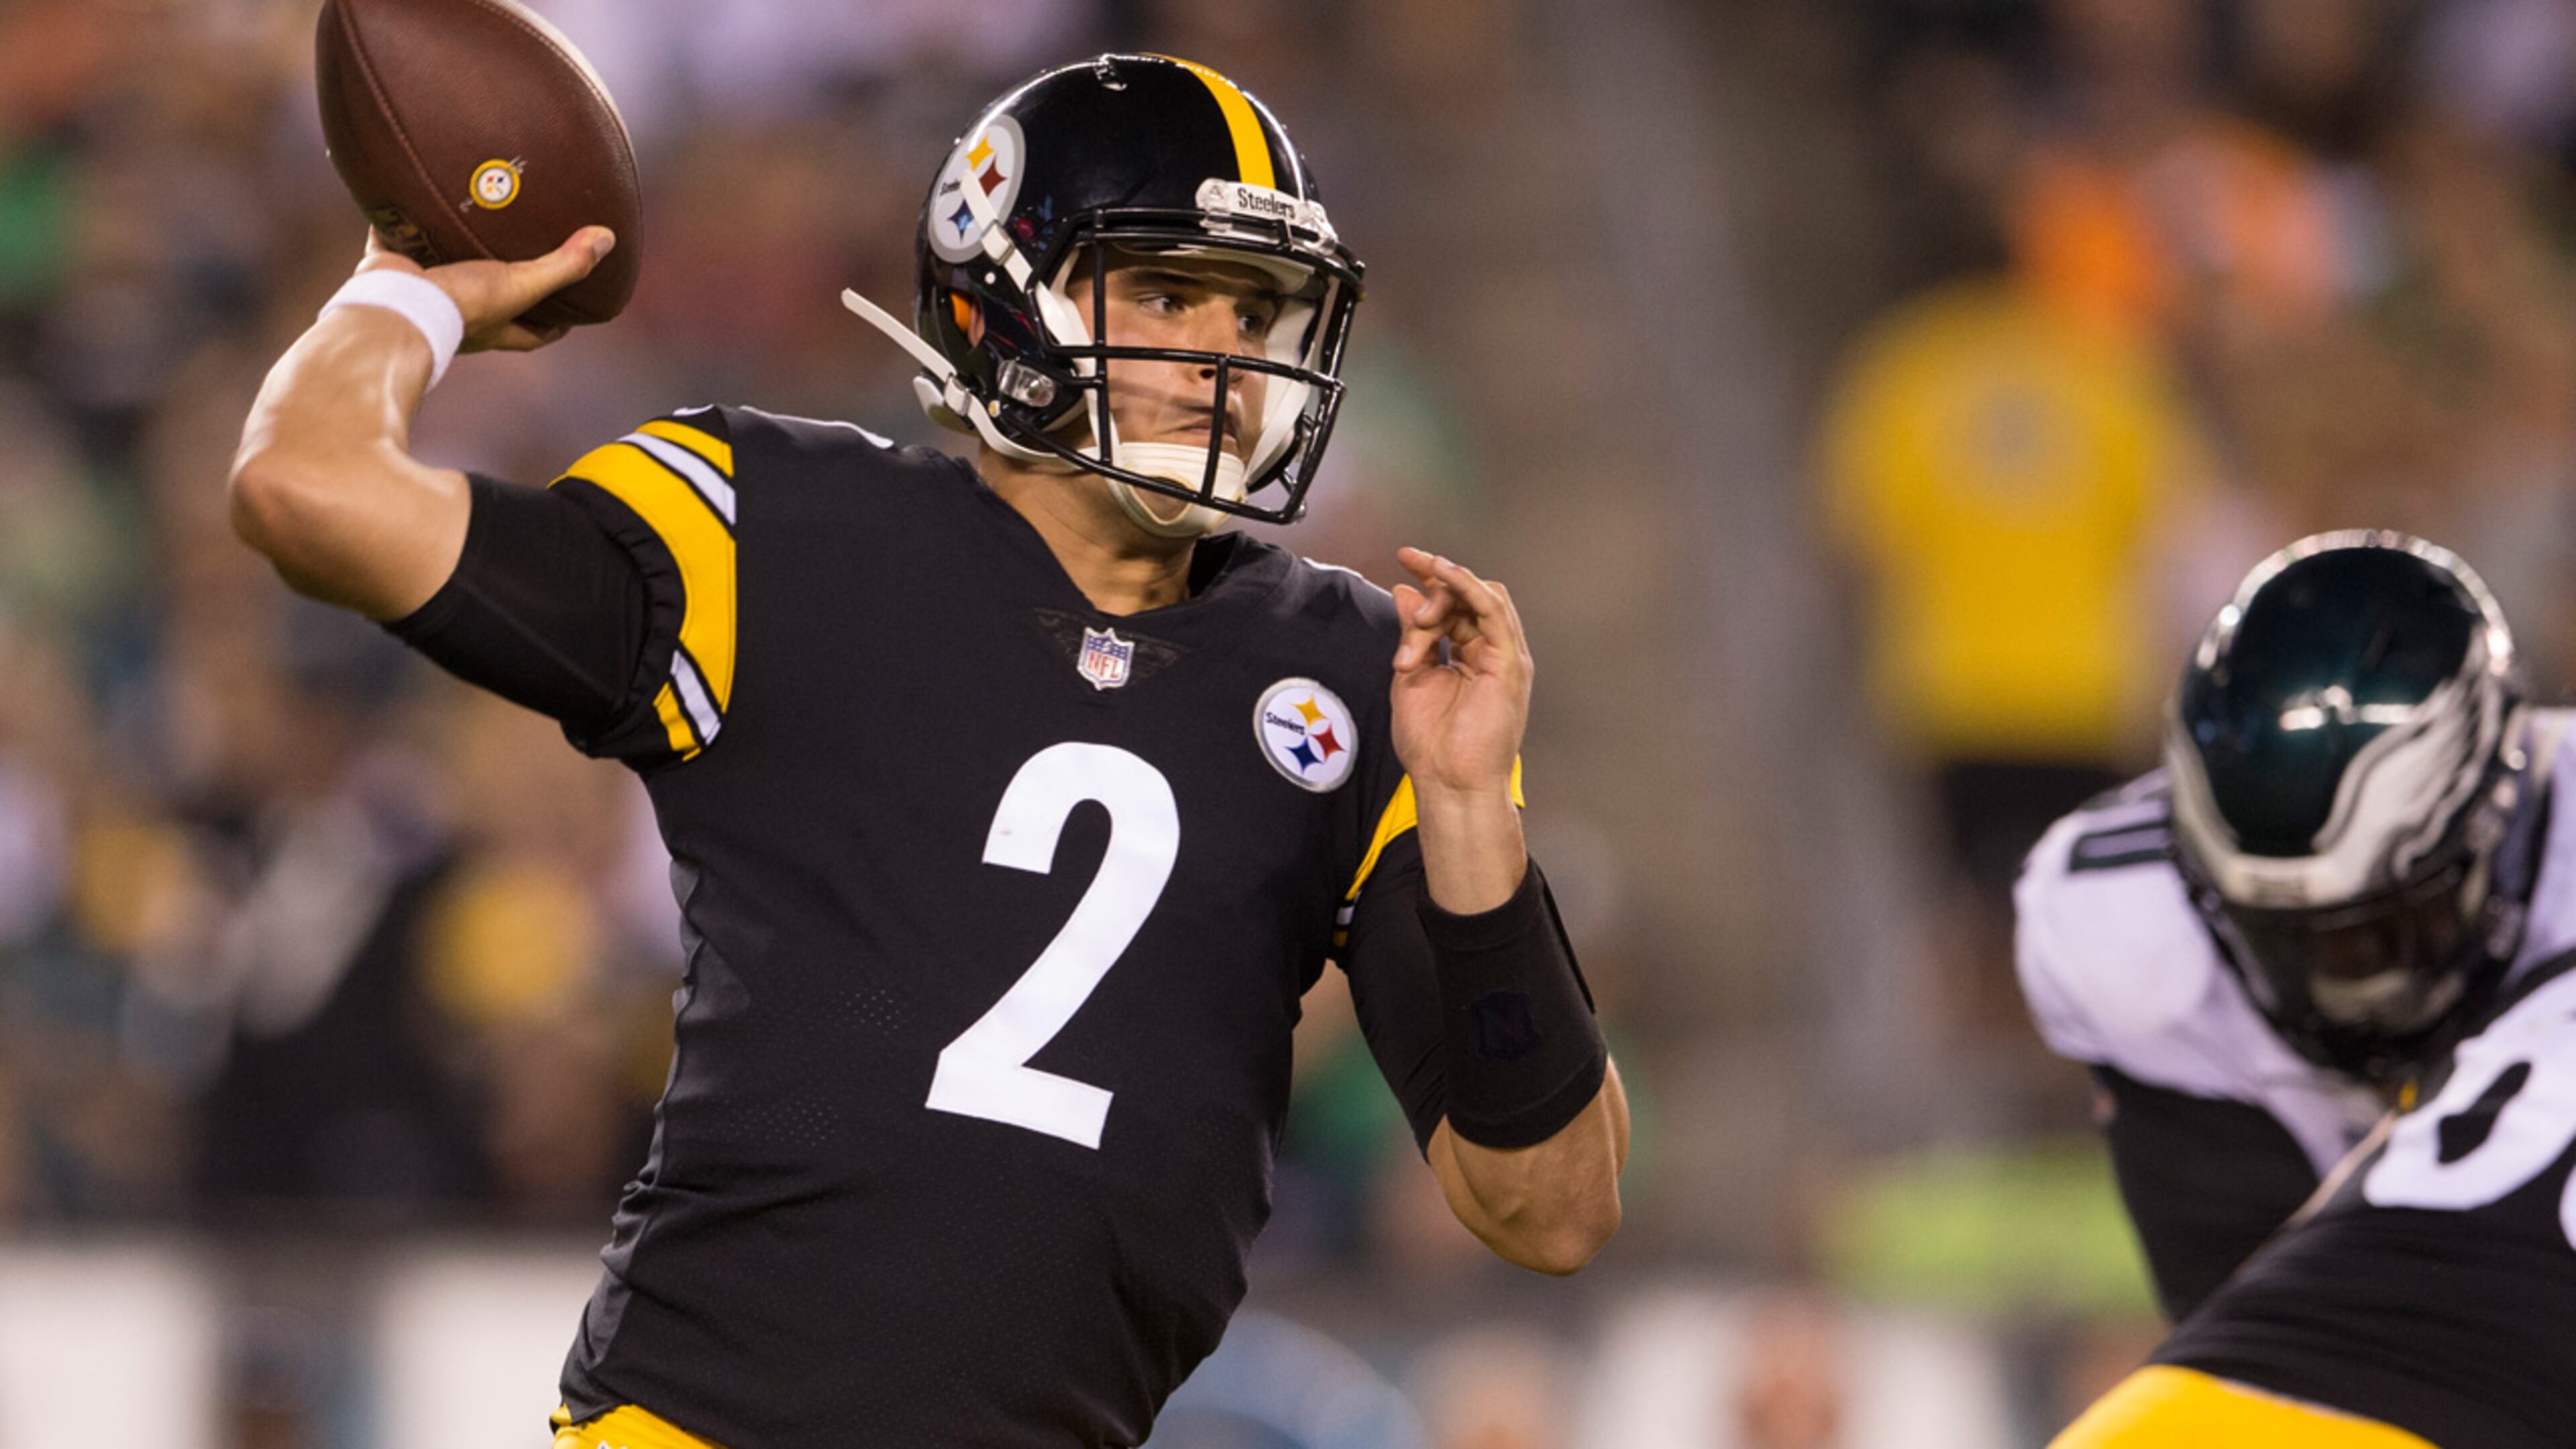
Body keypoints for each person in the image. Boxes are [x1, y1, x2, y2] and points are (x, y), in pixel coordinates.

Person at [226, 54, 1625, 1449]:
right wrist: (411, 283)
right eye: (1165, 290)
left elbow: (1550, 1210)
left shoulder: (1353, 674)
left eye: (1253, 308)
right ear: (1004, 291)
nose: (1219, 354)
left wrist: (1468, 813)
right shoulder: (773, 528)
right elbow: (310, 489)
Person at [2021, 532, 2576, 1444]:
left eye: (2384, 928)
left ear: (2497, 816)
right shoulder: (2125, 932)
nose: (2341, 989)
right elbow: (2270, 1341)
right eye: (2280, 938)